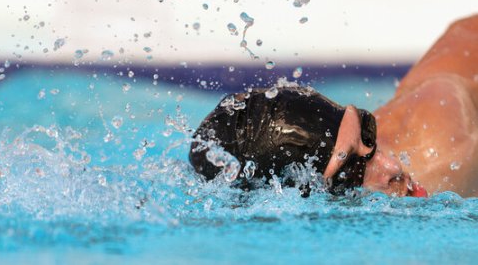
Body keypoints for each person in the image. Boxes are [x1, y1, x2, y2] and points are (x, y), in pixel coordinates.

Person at [189, 14, 478, 198]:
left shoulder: (442, 147)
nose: (392, 166)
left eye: (367, 132)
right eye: (350, 171)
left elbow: (466, 34)